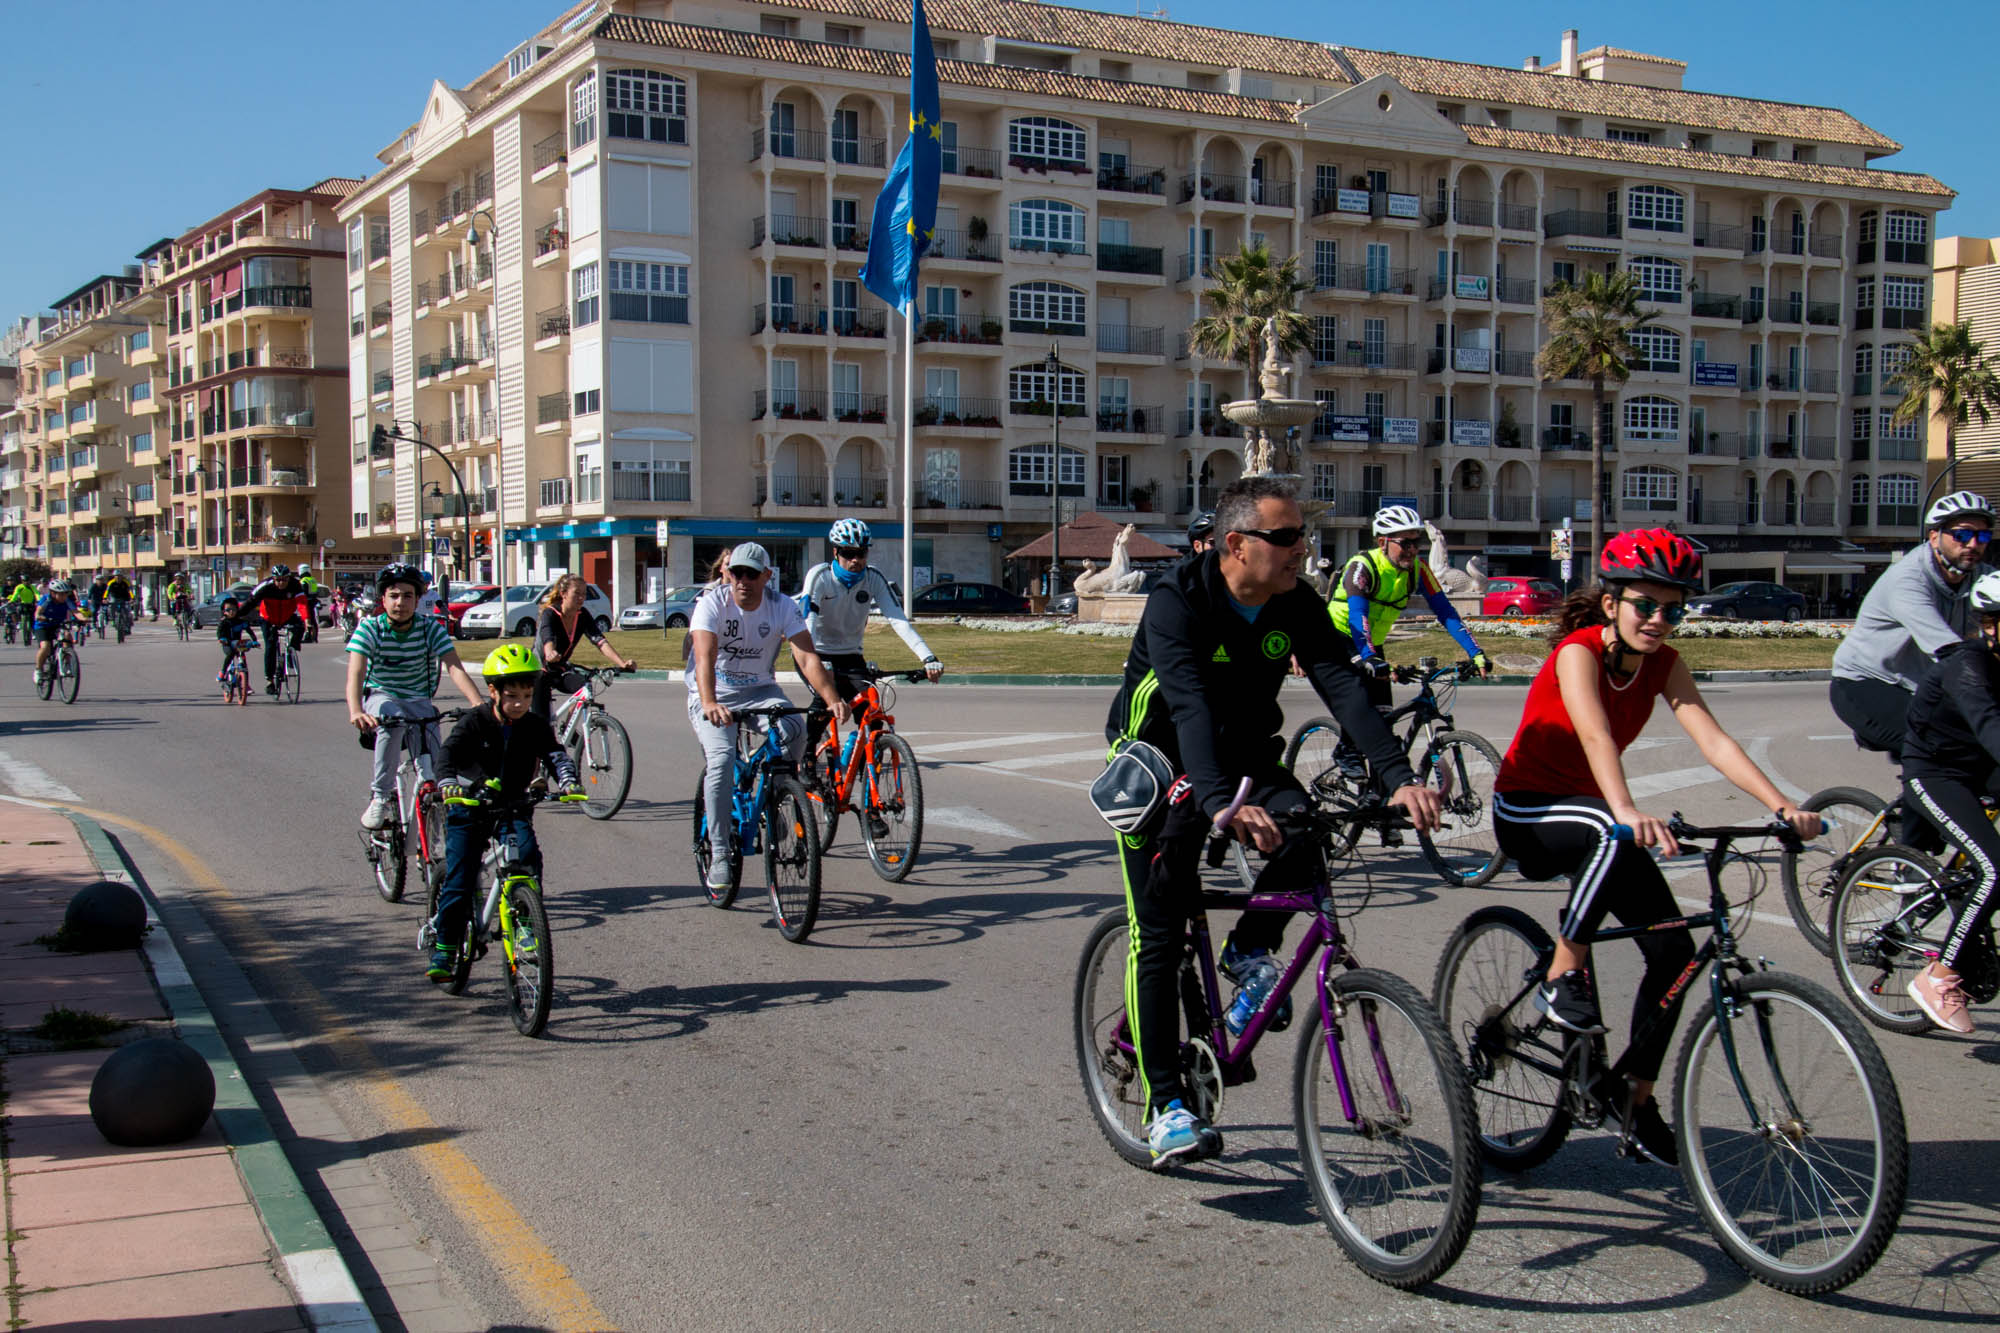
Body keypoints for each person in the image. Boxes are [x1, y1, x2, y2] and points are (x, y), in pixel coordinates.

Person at [1105, 476, 1443, 1167]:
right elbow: (1189, 705)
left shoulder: (1295, 601)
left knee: (1306, 834)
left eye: (1303, 535)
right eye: (1286, 536)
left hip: (1245, 758)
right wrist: (1216, 801)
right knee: (1159, 933)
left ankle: (1247, 949)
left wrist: (1398, 777)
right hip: (1160, 764)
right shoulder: (1179, 599)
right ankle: (1164, 1105)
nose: (1302, 549)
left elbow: (1343, 685)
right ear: (1236, 544)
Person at [1492, 529, 1821, 1166]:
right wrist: (1623, 809)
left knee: (1673, 950)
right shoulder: (1578, 652)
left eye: (1673, 609)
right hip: (1529, 808)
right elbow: (1595, 734)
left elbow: (1713, 741)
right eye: (1645, 605)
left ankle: (1634, 1098)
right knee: (1603, 827)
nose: (1659, 620)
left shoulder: (1665, 663)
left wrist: (1781, 806)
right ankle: (1562, 974)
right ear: (1611, 603)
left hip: (1597, 820)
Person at [1831, 489, 1991, 845]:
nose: (1973, 544)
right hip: (1865, 685)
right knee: (1932, 745)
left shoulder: (1981, 578)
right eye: (1962, 534)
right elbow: (1952, 655)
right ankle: (1913, 857)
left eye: (1982, 536)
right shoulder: (1908, 580)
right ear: (1934, 536)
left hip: (1918, 689)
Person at [687, 543, 849, 892]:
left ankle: (774, 798)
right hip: (714, 693)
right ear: (728, 573)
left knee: (795, 729)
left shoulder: (782, 606)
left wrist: (832, 698)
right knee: (721, 761)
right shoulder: (712, 603)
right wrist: (710, 702)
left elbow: (807, 657)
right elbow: (704, 658)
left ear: (767, 576)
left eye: (751, 574)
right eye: (736, 573)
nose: (742, 580)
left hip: (761, 690)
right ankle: (719, 852)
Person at [429, 645, 587, 980]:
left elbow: (555, 754)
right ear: (493, 692)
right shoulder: (474, 722)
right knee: (460, 878)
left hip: (512, 806)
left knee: (527, 857)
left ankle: (525, 922)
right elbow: (448, 755)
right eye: (512, 696)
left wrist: (569, 781)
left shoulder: (534, 725)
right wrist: (449, 783)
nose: (520, 704)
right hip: (470, 807)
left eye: (527, 696)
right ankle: (444, 947)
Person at [1894, 568, 2000, 1035]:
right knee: (1995, 868)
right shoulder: (1968, 666)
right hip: (1936, 772)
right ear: (1990, 624)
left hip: (1980, 768)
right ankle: (1938, 977)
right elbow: (1990, 725)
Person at [1327, 505, 1493, 782]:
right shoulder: (1362, 567)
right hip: (1342, 636)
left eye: (1417, 543)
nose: (1413, 550)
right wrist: (1368, 657)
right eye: (1405, 543)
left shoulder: (1419, 570)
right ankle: (1346, 751)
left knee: (1384, 715)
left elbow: (1446, 612)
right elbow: (1358, 615)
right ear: (1383, 542)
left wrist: (1476, 652)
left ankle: (1379, 792)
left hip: (1372, 643)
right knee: (1360, 695)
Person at [345, 563, 485, 829]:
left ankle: (435, 808)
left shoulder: (429, 628)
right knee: (393, 719)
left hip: (418, 700)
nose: (401, 602)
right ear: (383, 599)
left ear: (418, 599)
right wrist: (356, 711)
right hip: (381, 697)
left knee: (434, 762)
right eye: (394, 596)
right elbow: (356, 673)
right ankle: (380, 796)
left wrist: (478, 705)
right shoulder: (370, 628)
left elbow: (454, 667)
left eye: (408, 596)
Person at [797, 518, 942, 703]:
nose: (855, 560)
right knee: (828, 703)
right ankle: (817, 722)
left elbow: (899, 621)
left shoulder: (873, 578)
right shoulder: (820, 576)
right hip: (816, 652)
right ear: (835, 552)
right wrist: (814, 659)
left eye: (861, 553)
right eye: (848, 553)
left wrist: (928, 657)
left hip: (850, 655)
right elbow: (808, 621)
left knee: (870, 707)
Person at [533, 573, 636, 719]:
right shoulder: (550, 613)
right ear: (563, 594)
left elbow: (600, 641)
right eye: (576, 593)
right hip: (539, 670)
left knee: (584, 686)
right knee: (541, 722)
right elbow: (546, 636)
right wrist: (550, 652)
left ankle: (569, 726)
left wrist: (622, 663)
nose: (581, 598)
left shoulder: (582, 615)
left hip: (559, 669)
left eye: (584, 594)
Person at [244, 564, 315, 695]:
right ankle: (269, 680)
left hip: (287, 616)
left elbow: (302, 603)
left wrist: (307, 620)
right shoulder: (266, 586)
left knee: (299, 627)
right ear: (273, 579)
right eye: (278, 580)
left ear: (289, 578)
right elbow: (251, 601)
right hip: (268, 618)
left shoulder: (295, 585)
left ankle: (291, 650)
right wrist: (238, 616)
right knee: (270, 646)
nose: (281, 583)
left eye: (284, 579)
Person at [29, 579, 77, 685]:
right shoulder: (46, 599)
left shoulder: (67, 601)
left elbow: (76, 612)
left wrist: (84, 619)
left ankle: (67, 662)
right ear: (53, 593)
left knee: (67, 636)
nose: (64, 596)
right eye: (61, 594)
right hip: (43, 626)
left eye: (65, 593)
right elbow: (38, 612)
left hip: (57, 625)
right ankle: (38, 670)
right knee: (46, 647)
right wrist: (40, 617)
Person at [214, 596, 259, 682]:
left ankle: (246, 684)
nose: (231, 612)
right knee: (231, 654)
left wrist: (254, 641)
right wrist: (222, 639)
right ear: (224, 611)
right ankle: (223, 672)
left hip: (238, 644)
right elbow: (219, 632)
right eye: (228, 610)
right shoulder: (224, 622)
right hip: (227, 644)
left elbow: (250, 631)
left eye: (233, 609)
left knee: (243, 660)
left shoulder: (241, 621)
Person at [104, 570, 134, 638]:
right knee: (111, 607)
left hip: (124, 598)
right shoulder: (111, 583)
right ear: (114, 577)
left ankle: (127, 627)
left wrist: (132, 598)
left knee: (127, 612)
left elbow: (130, 591)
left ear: (122, 577)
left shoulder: (126, 582)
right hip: (114, 597)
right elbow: (107, 591)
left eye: (119, 576)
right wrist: (105, 598)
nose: (118, 578)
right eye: (116, 576)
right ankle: (113, 620)